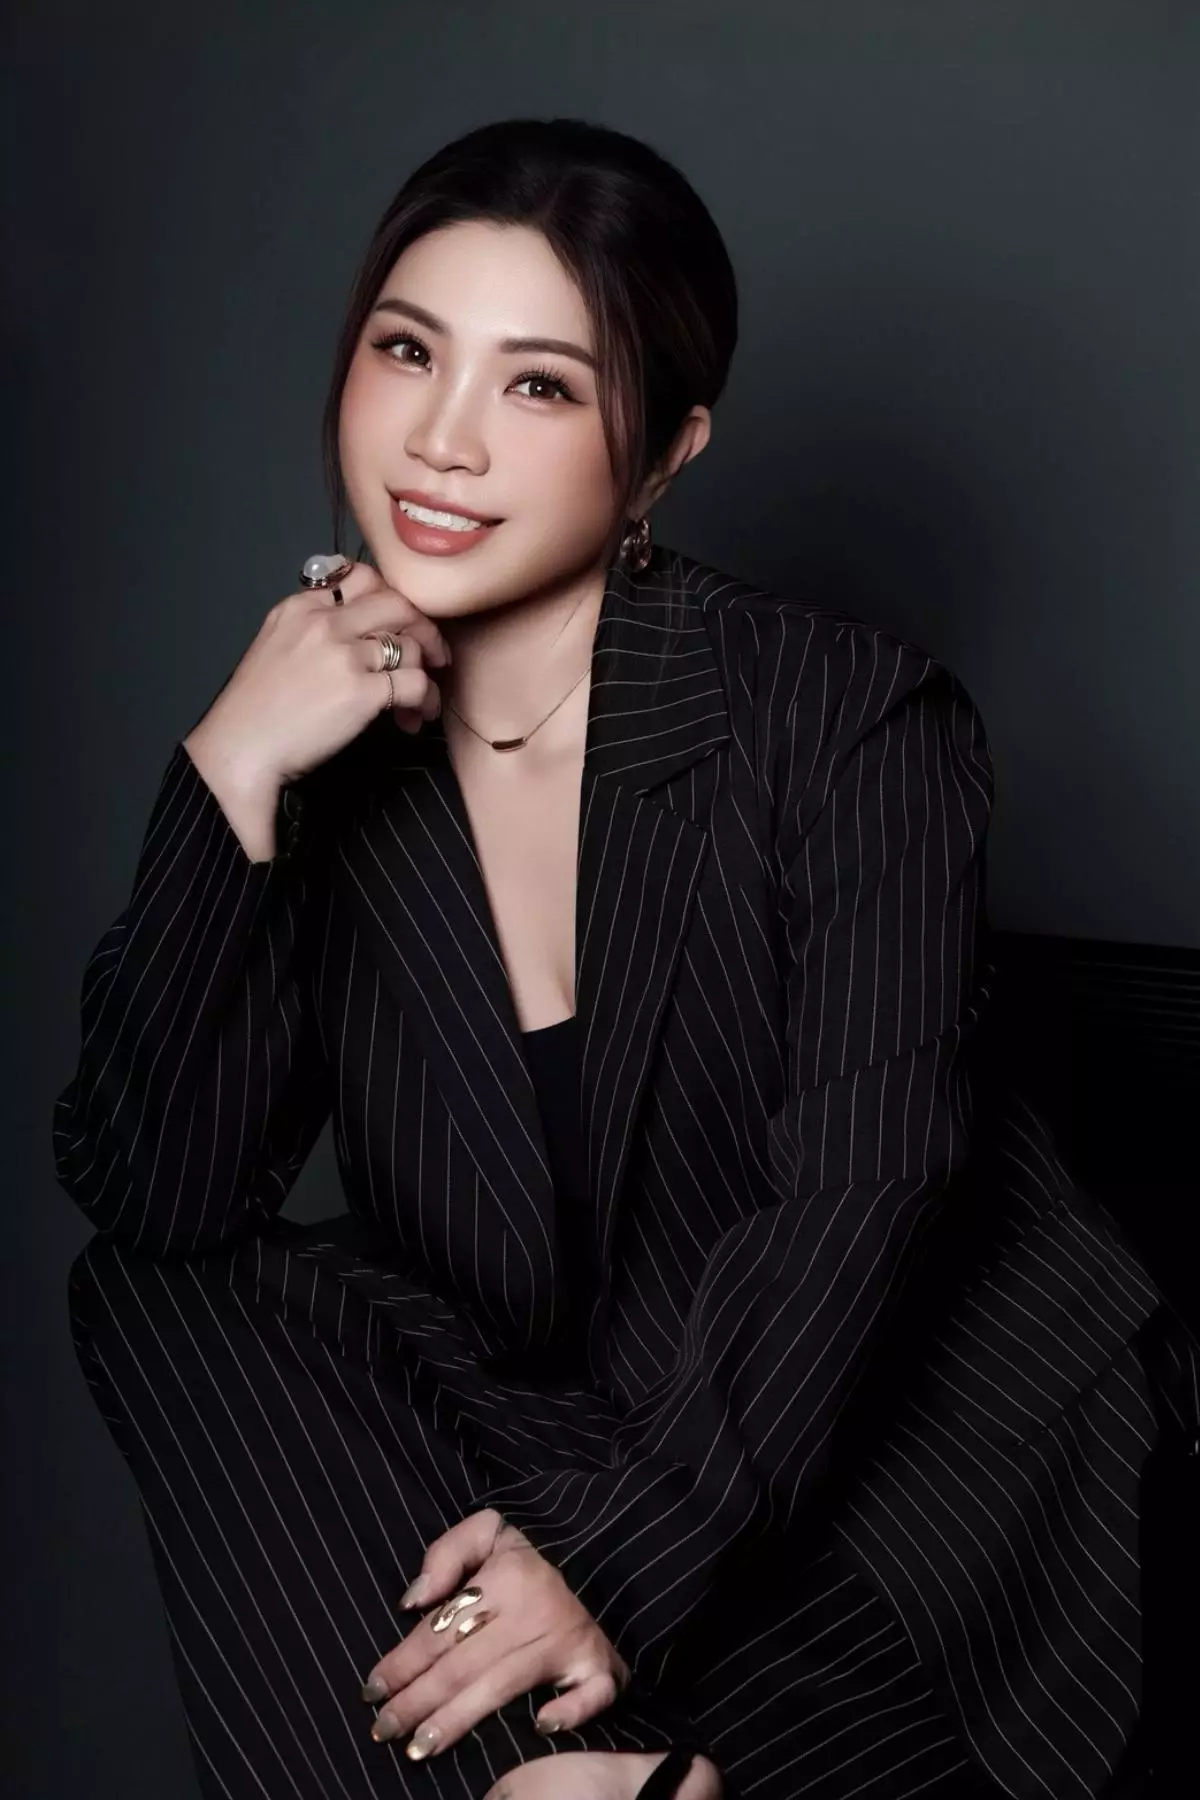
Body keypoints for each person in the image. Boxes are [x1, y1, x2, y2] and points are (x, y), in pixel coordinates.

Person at [54, 117, 1197, 1800]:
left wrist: (610, 1559)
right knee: (156, 1287)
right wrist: (230, 768)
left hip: (910, 1484)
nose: (441, 439)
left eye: (539, 384)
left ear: (662, 456)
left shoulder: (843, 716)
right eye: (407, 350)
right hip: (570, 1430)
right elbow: (156, 1192)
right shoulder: (335, 754)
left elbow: (864, 1202)